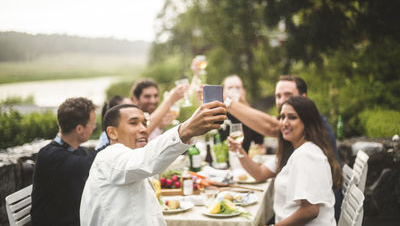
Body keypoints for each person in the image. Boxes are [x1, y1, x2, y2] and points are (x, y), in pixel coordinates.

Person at [80, 101, 227, 225]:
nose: (144, 129)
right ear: (112, 133)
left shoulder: (129, 157)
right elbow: (146, 161)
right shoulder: (108, 156)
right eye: (133, 123)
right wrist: (186, 130)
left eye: (145, 123)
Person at [226, 75, 342, 220]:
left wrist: (226, 102)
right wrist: (239, 150)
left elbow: (310, 210)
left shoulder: (307, 154)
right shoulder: (294, 147)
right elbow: (260, 173)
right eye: (282, 117)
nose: (284, 123)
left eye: (292, 117)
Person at [31, 97, 99, 226]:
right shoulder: (50, 155)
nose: (94, 128)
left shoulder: (77, 151)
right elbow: (87, 165)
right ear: (79, 129)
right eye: (92, 124)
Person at [220, 75, 264, 153]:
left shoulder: (251, 113)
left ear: (243, 91)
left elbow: (260, 144)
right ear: (223, 92)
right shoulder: (220, 114)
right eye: (230, 88)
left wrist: (244, 105)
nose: (234, 90)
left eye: (237, 87)